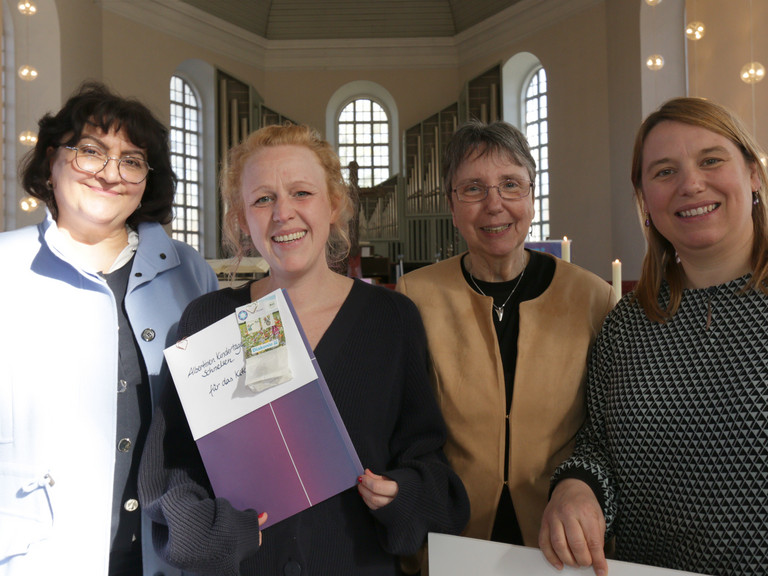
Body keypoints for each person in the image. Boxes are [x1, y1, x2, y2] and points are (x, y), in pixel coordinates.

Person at [138, 123, 469, 576]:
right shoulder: (208, 319)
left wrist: (401, 493)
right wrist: (213, 532)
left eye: (301, 193)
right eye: (262, 199)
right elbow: (173, 468)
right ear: (241, 219)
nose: (283, 214)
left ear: (334, 205)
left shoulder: (391, 318)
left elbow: (428, 462)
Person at [539, 97, 768, 576]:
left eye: (711, 160)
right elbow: (598, 444)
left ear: (754, 175)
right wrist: (576, 487)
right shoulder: (627, 326)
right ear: (645, 200)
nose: (691, 184)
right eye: (664, 172)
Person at [0, 82, 219, 576]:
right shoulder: (3, 267)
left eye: (132, 160)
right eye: (91, 151)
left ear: (147, 180)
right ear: (51, 162)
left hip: (167, 549)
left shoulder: (190, 272)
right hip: (39, 550)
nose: (109, 173)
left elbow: (215, 407)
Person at [396, 120, 615, 550]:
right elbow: (404, 427)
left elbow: (609, 429)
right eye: (473, 188)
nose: (494, 205)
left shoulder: (593, 298)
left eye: (510, 185)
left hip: (562, 535)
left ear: (531, 197)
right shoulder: (415, 296)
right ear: (452, 205)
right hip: (454, 533)